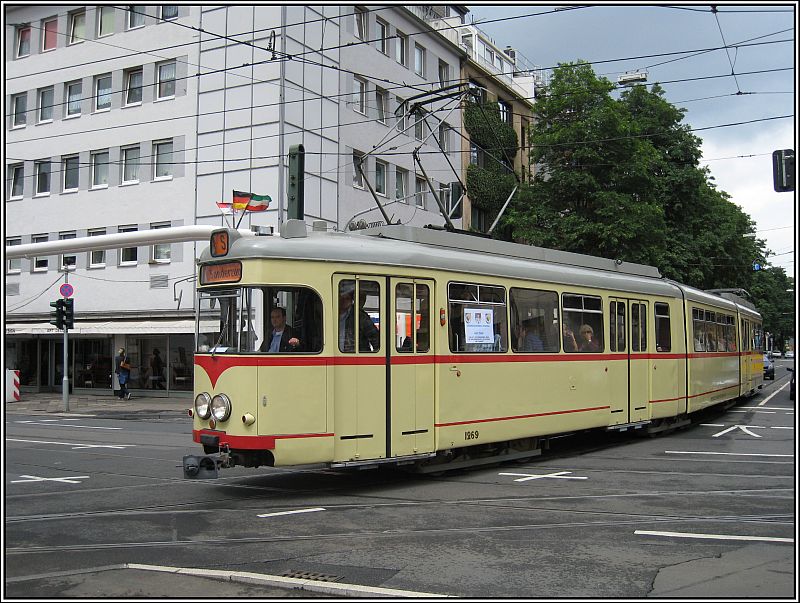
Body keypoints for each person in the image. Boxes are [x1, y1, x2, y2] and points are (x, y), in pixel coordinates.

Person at [339, 284, 380, 352]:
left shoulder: (360, 316)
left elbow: (376, 339)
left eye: (347, 298)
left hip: (356, 359)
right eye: (341, 297)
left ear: (351, 300)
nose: (343, 301)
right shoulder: (326, 314)